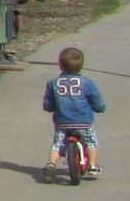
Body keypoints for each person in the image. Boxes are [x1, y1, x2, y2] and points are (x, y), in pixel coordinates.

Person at [44, 45, 105, 177]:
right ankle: (93, 166)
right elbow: (97, 102)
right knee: (91, 141)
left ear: (60, 65)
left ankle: (51, 164)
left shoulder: (53, 83)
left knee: (58, 144)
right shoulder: (87, 83)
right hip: (83, 121)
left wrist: (49, 107)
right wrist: (100, 108)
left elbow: (48, 104)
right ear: (82, 66)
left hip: (62, 121)